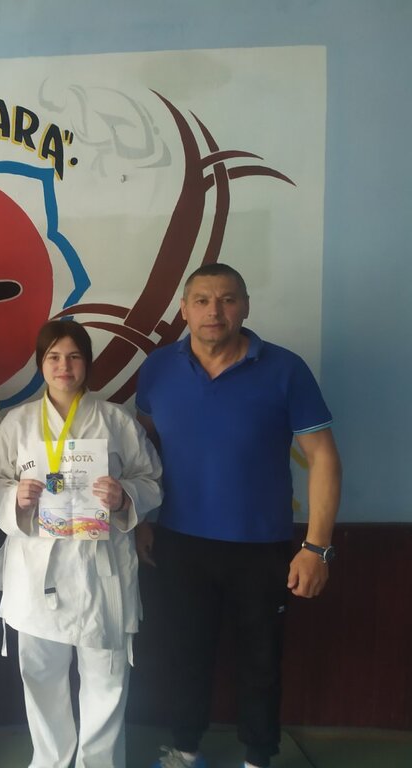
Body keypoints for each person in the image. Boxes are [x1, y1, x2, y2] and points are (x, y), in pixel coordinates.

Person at [135, 263, 342, 768]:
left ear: (245, 306)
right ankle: (184, 749)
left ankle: (257, 758)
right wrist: (140, 521)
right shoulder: (157, 369)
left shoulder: (285, 369)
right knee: (184, 654)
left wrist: (316, 548)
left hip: (262, 544)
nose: (214, 311)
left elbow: (323, 458)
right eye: (202, 300)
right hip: (179, 542)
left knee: (260, 660)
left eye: (227, 299)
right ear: (184, 310)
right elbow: (140, 452)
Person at [0, 319, 162, 768]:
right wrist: (15, 497)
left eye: (74, 357)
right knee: (40, 674)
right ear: (40, 364)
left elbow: (151, 480)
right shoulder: (16, 423)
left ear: (87, 364)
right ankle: (50, 760)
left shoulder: (116, 421)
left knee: (106, 678)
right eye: (54, 357)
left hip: (99, 566)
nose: (64, 366)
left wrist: (125, 495)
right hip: (36, 567)